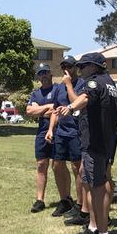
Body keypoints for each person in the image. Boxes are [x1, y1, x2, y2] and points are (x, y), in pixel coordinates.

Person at [56, 53, 117, 234]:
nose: (80, 70)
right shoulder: (110, 83)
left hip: (94, 141)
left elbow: (84, 98)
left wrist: (69, 107)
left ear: (93, 66)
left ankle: (101, 229)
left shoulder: (93, 82)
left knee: (97, 186)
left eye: (83, 66)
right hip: (107, 141)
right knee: (97, 179)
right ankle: (94, 225)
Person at [45, 56, 87, 222]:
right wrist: (51, 129)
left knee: (77, 168)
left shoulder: (81, 84)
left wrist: (69, 84)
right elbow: (55, 110)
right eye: (63, 67)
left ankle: (80, 204)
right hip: (61, 132)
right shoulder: (59, 88)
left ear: (76, 68)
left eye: (69, 66)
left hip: (76, 132)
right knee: (57, 165)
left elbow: (77, 102)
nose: (66, 70)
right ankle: (65, 200)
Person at [25, 63, 59, 213]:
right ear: (38, 77)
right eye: (40, 73)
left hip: (58, 130)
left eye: (45, 72)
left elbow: (57, 109)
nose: (43, 76)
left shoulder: (58, 89)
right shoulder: (35, 93)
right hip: (41, 132)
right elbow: (29, 111)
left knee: (58, 166)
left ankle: (65, 199)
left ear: (50, 74)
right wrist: (48, 108)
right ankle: (40, 200)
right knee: (41, 165)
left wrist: (40, 109)